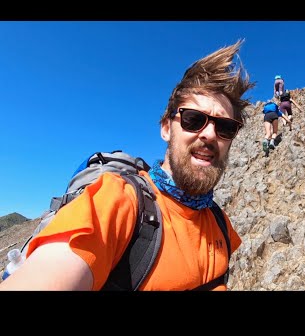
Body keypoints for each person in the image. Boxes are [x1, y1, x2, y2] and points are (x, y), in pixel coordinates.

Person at [0, 39, 255, 291]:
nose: (210, 134)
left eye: (225, 127)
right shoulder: (118, 202)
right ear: (166, 128)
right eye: (193, 119)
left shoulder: (221, 223)